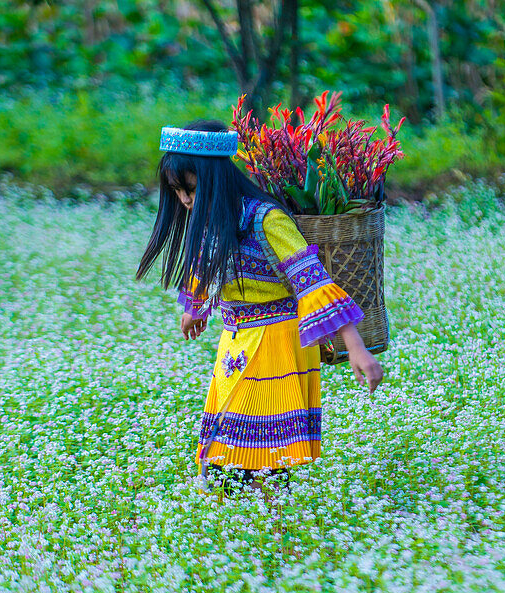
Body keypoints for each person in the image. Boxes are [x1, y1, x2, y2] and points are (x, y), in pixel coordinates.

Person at [136, 120, 384, 492]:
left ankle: (268, 527)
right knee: (226, 451)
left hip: (276, 343)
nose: (184, 200)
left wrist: (357, 348)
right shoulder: (212, 220)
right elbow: (207, 263)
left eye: (189, 188)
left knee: (254, 454)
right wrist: (196, 307)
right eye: (176, 191)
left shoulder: (267, 220)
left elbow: (314, 283)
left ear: (216, 178)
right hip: (235, 341)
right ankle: (254, 531)